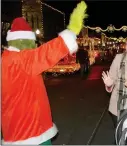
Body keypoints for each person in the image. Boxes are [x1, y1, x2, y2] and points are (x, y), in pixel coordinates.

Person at [2, 1, 87, 145]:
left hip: (11, 131)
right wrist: (71, 32)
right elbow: (46, 53)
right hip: (32, 131)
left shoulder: (5, 60)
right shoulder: (22, 59)